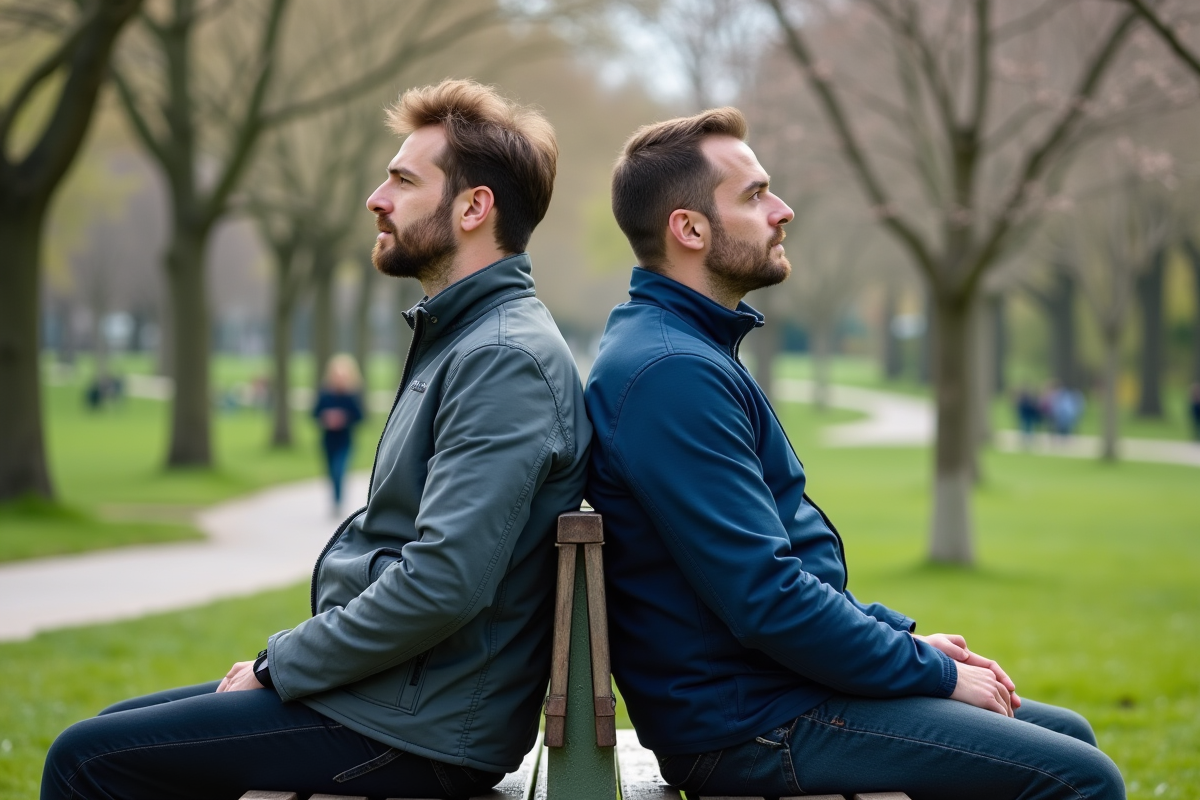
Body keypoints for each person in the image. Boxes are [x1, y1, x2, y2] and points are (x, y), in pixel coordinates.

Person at [42, 79, 591, 800]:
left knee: (87, 760)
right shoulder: (466, 339)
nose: (376, 197)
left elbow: (444, 582)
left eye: (401, 178)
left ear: (473, 207)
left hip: (421, 732)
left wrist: (275, 666)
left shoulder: (501, 358)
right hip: (396, 704)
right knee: (113, 731)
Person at [584, 108, 1124, 800]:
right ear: (688, 229)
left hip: (770, 693)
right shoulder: (670, 374)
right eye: (754, 195)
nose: (782, 211)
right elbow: (767, 600)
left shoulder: (681, 352)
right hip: (750, 726)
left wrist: (905, 644)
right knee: (1079, 778)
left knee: (1067, 736)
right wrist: (934, 674)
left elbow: (773, 584)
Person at [313, 353, 365, 513]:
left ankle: (338, 501)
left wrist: (344, 418)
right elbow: (314, 413)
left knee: (339, 470)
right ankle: (335, 498)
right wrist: (326, 418)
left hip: (345, 440)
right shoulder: (325, 394)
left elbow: (360, 416)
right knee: (330, 471)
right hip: (328, 440)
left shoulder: (352, 396)